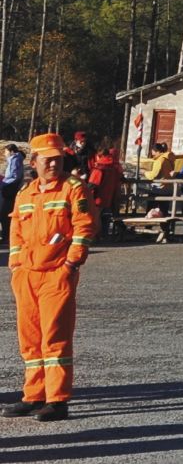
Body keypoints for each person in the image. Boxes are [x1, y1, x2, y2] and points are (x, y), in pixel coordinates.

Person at [7, 133, 97, 422]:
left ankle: (57, 399)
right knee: (30, 339)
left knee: (55, 338)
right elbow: (16, 232)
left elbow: (85, 226)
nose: (53, 165)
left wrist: (71, 263)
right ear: (34, 161)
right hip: (27, 275)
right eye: (47, 160)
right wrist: (16, 264)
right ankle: (34, 395)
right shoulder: (25, 193)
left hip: (57, 274)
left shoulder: (73, 189)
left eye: (58, 160)